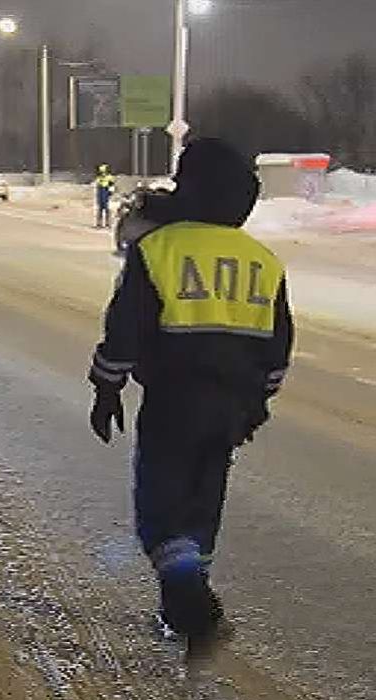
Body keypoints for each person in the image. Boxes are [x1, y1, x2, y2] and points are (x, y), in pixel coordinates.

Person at [87, 138, 294, 653]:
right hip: (231, 409)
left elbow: (125, 331)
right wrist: (258, 404)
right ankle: (181, 602)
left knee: (159, 511)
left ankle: (191, 604)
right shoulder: (262, 260)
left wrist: (106, 388)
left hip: (173, 402)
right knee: (202, 506)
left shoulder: (158, 249)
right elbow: (278, 345)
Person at [94, 164, 117, 229]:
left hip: (106, 191)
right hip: (101, 191)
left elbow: (112, 185)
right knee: (100, 208)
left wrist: (111, 191)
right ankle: (99, 223)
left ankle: (107, 223)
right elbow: (97, 184)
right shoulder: (99, 177)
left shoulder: (109, 177)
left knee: (107, 208)